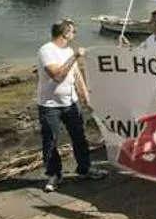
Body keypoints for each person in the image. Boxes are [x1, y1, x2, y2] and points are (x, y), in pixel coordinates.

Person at [37, 20, 107, 192]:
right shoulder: (46, 50)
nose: (75, 35)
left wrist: (86, 98)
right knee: (51, 141)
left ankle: (84, 169)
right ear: (65, 33)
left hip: (71, 103)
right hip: (50, 105)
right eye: (73, 31)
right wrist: (75, 56)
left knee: (79, 137)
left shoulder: (68, 51)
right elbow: (57, 76)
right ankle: (54, 174)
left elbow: (77, 76)